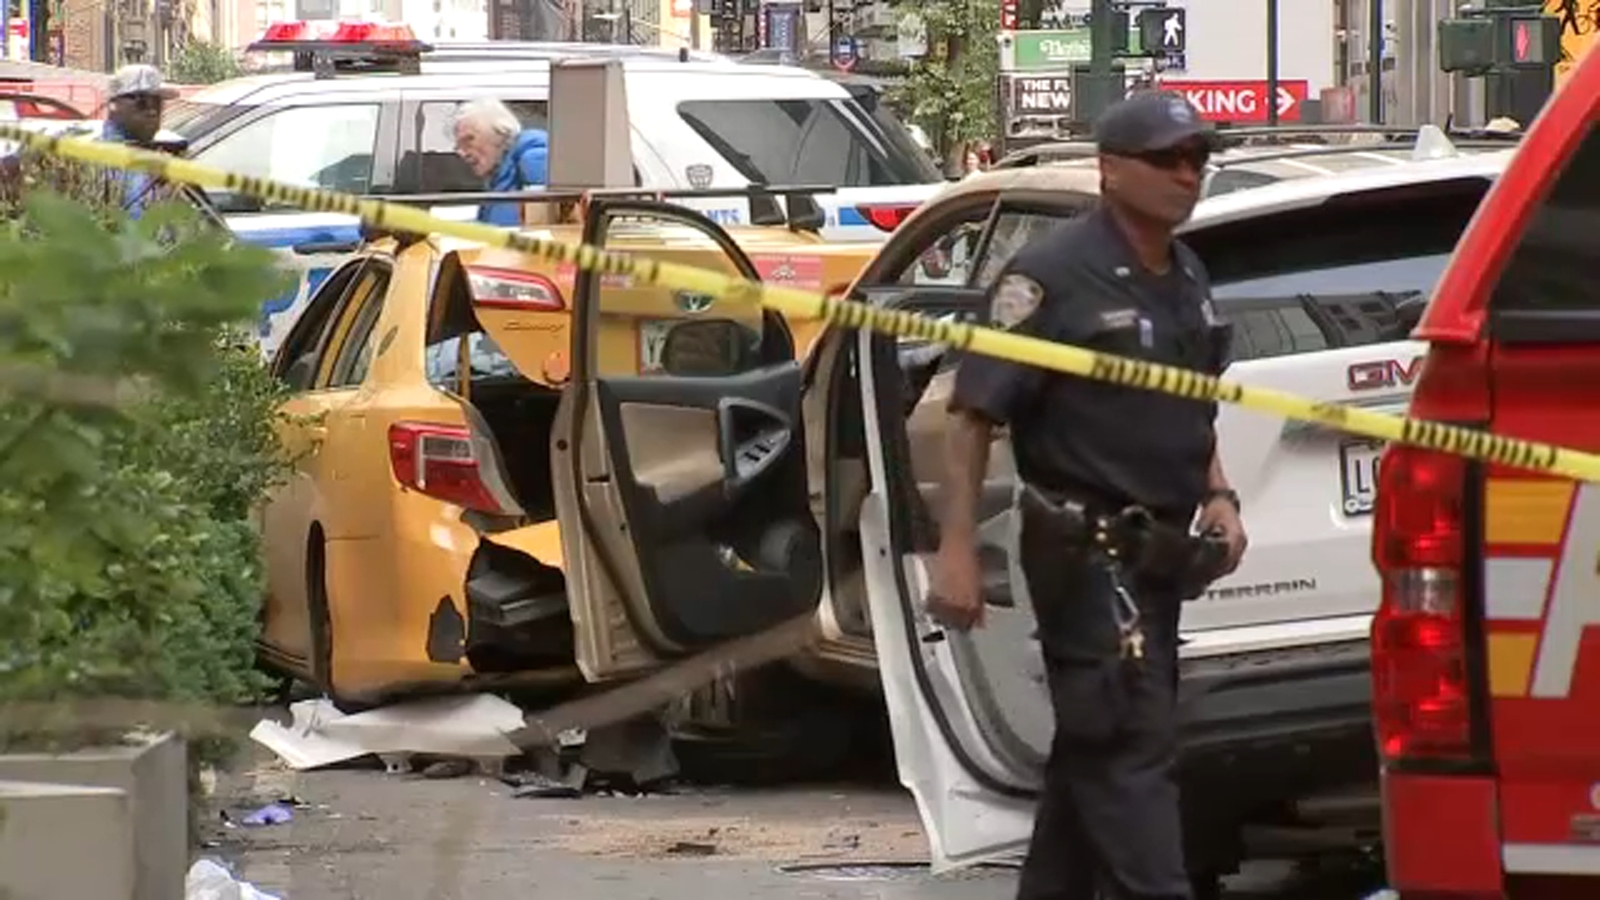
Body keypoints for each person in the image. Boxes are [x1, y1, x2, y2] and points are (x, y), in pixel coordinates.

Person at [931, 90, 1249, 900]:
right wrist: (958, 547)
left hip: (1164, 555)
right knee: (1131, 752)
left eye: (1197, 160)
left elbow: (1189, 402)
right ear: (1111, 170)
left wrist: (1220, 496)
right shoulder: (1048, 275)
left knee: (1095, 756)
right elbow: (973, 415)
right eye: (1167, 159)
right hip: (1085, 556)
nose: (1188, 175)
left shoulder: (1186, 274)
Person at [450, 98, 549, 227]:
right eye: (458, 146)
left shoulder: (533, 160)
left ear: (500, 133)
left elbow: (540, 226)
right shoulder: (498, 173)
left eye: (469, 140)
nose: (463, 153)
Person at [103, 63, 179, 216]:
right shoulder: (103, 159)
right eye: (142, 102)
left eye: (157, 103)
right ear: (114, 105)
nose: (152, 111)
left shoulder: (159, 156)